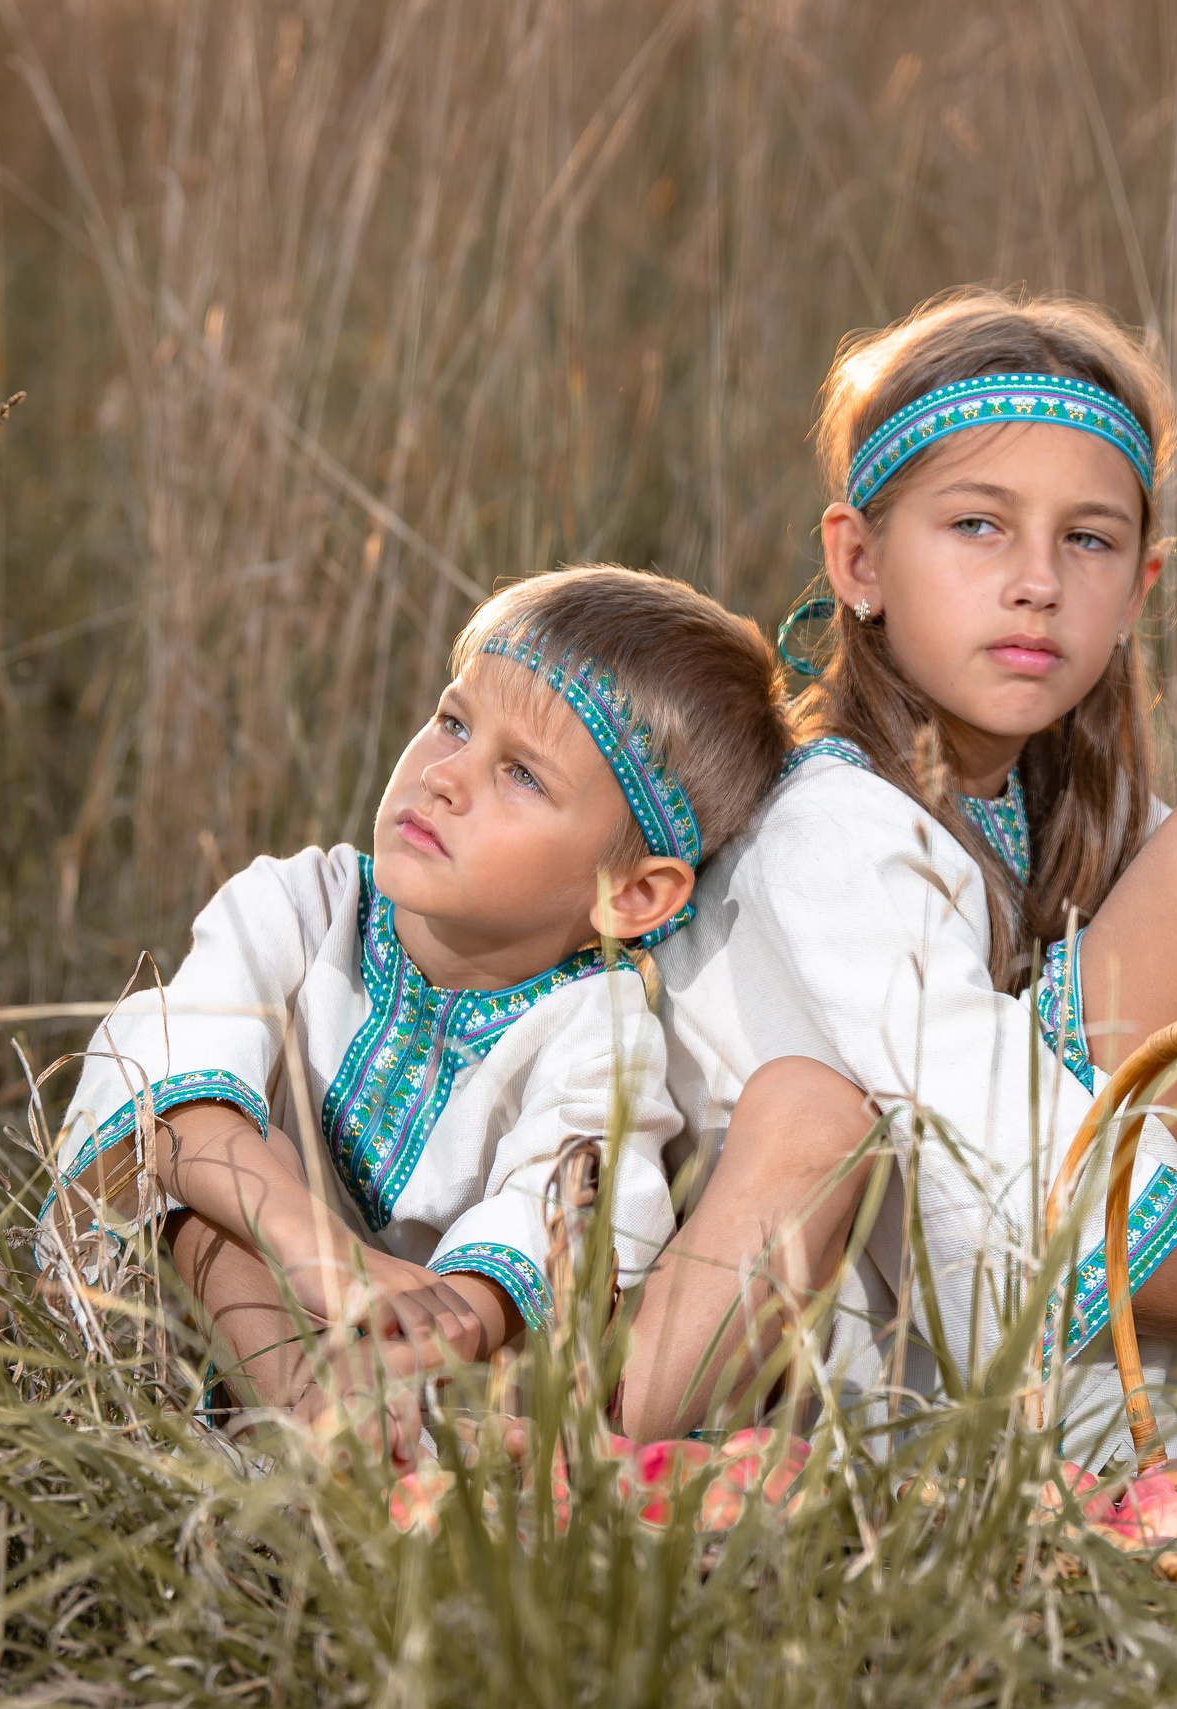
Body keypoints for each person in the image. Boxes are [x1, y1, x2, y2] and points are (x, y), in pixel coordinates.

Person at [627, 289, 1177, 1482]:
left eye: (1088, 539)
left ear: (1139, 589)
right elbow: (1047, 1219)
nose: (1037, 583)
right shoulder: (830, 832)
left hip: (1115, 1320)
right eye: (977, 526)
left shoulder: (1073, 806)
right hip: (958, 1385)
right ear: (858, 559)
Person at [41, 565, 790, 1464]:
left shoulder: (603, 1027)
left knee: (555, 1279)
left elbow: (564, 1217)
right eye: (452, 721)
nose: (443, 776)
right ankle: (309, 1413)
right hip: (215, 1306)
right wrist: (325, 1257)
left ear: (632, 895)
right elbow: (162, 1089)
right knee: (185, 1125)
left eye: (520, 774)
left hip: (428, 1374)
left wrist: (424, 1331)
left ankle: (355, 1446)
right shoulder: (296, 905)